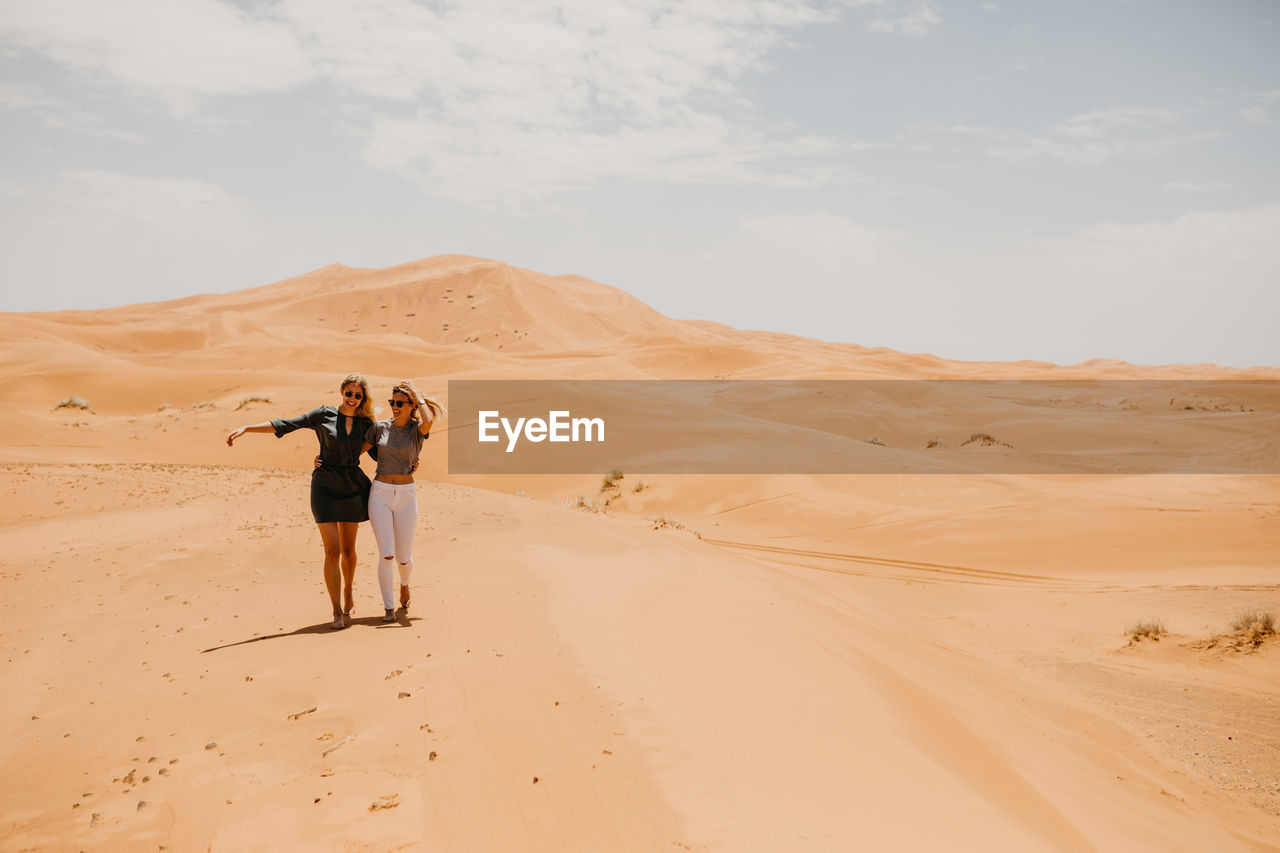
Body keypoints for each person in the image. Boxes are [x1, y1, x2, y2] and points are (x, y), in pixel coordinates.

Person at [226, 374, 376, 630]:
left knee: (349, 552)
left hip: (351, 487)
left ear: (363, 398)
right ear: (341, 391)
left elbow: (382, 447)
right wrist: (247, 428)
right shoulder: (324, 414)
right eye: (349, 393)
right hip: (324, 488)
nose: (352, 399)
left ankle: (349, 591)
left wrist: (412, 460)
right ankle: (336, 610)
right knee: (332, 551)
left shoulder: (366, 423)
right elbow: (287, 423)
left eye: (358, 395)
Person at [364, 379, 445, 623]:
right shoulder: (379, 428)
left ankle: (405, 584)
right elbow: (353, 452)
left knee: (403, 558)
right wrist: (324, 459)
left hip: (407, 496)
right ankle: (388, 607)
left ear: (411, 406)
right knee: (386, 555)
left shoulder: (417, 430)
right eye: (392, 402)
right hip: (380, 493)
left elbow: (429, 420)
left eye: (400, 403)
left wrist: (417, 394)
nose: (395, 406)